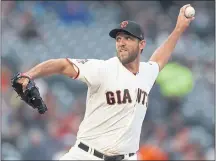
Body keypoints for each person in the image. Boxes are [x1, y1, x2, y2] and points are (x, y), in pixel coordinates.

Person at [16, 4, 194, 161]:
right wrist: (29, 74)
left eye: (128, 38)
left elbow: (159, 60)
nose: (121, 43)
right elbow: (62, 65)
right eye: (118, 39)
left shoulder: (147, 72)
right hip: (87, 155)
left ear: (142, 45)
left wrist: (178, 29)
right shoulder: (102, 69)